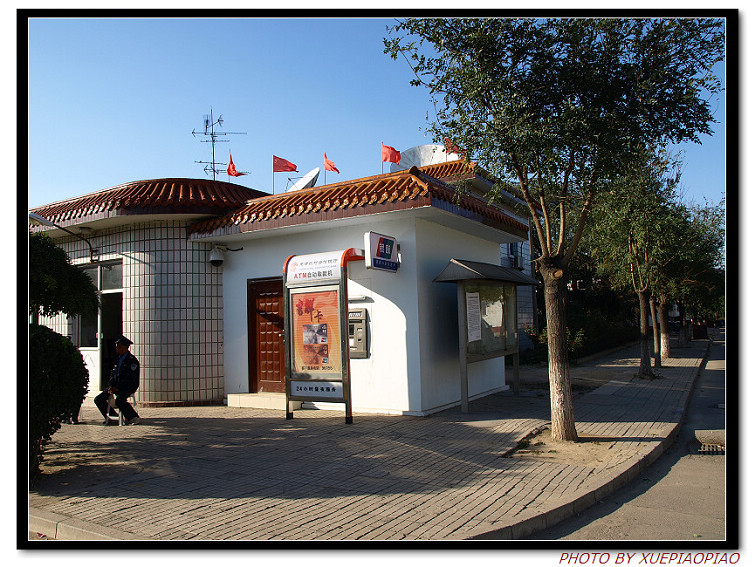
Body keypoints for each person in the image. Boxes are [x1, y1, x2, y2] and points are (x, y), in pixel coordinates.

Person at [94, 335, 141, 425]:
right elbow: (112, 374)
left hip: (128, 386)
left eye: (118, 346)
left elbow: (129, 378)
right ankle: (111, 416)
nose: (116, 348)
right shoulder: (117, 359)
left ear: (124, 347)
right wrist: (111, 386)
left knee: (119, 400)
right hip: (116, 386)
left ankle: (133, 417)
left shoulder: (131, 361)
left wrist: (118, 388)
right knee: (98, 399)